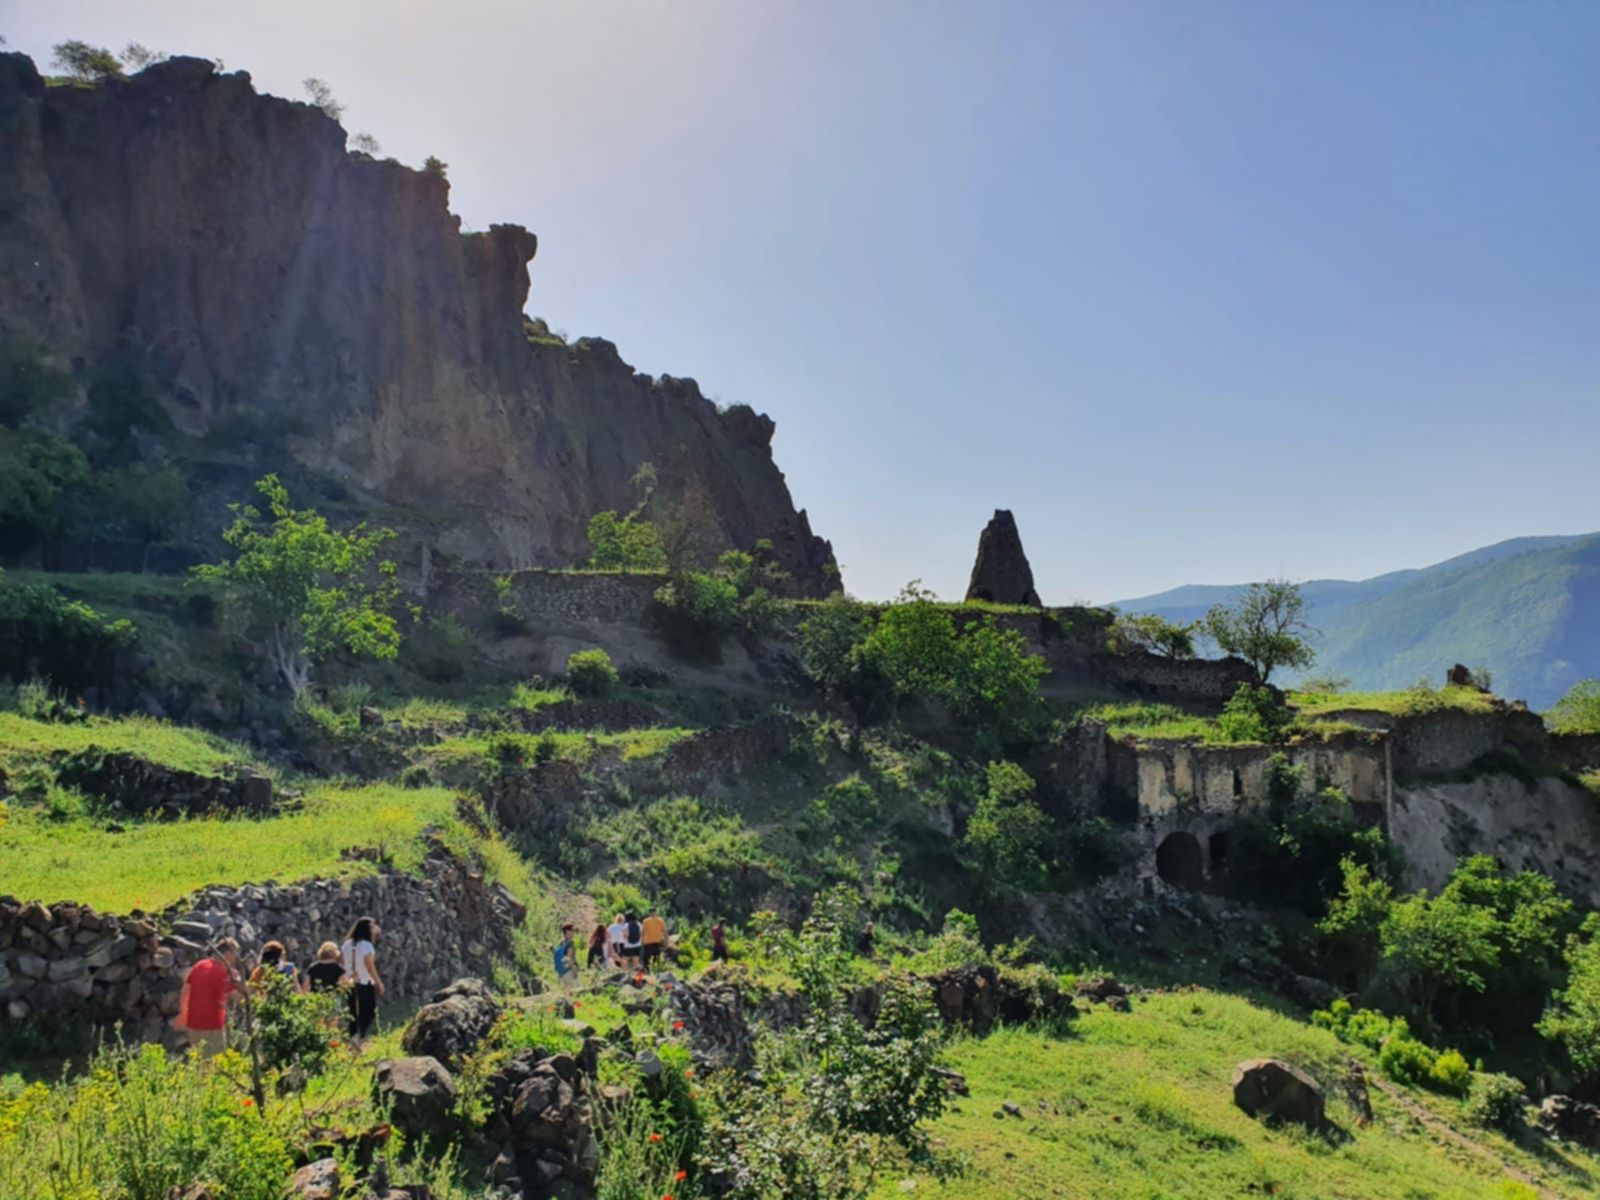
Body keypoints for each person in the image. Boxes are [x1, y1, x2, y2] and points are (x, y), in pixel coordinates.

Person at [174, 937, 241, 1057]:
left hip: (193, 1025)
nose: (235, 958)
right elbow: (238, 998)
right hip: (212, 1027)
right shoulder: (224, 973)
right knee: (215, 1062)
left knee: (198, 1060)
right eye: (235, 954)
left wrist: (183, 1014)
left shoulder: (199, 965)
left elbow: (185, 990)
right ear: (228, 953)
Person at [340, 917, 384, 1041]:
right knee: (369, 1011)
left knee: (353, 1011)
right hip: (365, 981)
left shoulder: (346, 945)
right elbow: (369, 966)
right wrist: (378, 983)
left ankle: (353, 1035)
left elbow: (342, 963)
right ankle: (360, 1035)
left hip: (350, 981)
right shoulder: (366, 946)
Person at [553, 923, 579, 990]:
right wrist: (574, 969)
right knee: (575, 992)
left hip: (561, 972)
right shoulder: (570, 944)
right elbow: (568, 958)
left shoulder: (561, 942)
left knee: (565, 993)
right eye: (572, 930)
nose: (574, 933)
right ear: (567, 932)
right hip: (569, 971)